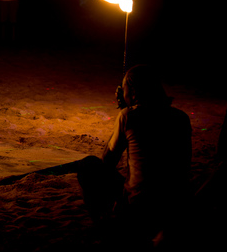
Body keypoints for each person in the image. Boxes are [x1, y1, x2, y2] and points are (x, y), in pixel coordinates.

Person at [78, 64, 192, 249]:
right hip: (175, 204)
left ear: (133, 91)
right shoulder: (181, 118)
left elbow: (107, 161)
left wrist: (124, 112)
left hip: (142, 205)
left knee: (88, 166)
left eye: (125, 88)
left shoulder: (128, 116)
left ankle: (104, 226)